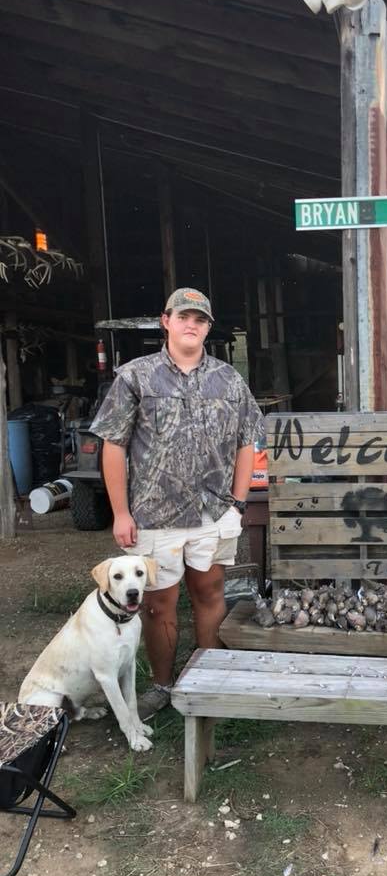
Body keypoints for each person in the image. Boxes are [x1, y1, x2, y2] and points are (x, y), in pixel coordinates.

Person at [91, 288, 263, 718]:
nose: (192, 324)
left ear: (207, 327)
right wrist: (121, 512)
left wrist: (238, 503)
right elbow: (113, 445)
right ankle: (163, 685)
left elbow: (248, 442)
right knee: (156, 602)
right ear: (166, 320)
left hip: (212, 512)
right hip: (154, 515)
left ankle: (208, 680)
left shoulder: (229, 380)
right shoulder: (135, 377)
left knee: (210, 592)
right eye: (184, 316)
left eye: (200, 319)